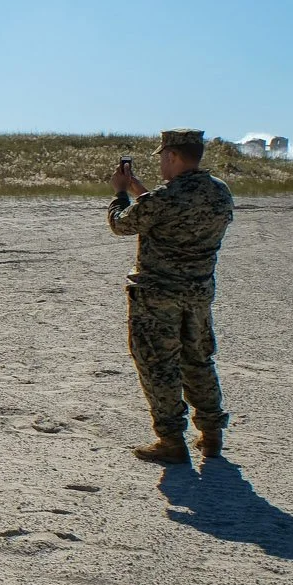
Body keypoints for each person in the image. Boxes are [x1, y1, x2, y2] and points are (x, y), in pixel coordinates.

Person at [108, 129, 235, 463]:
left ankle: (170, 440)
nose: (162, 164)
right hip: (197, 294)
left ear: (173, 156)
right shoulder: (219, 192)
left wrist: (120, 193)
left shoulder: (165, 198)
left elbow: (122, 224)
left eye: (163, 157)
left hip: (157, 297)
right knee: (198, 361)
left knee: (157, 365)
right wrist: (140, 190)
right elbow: (171, 213)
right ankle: (211, 435)